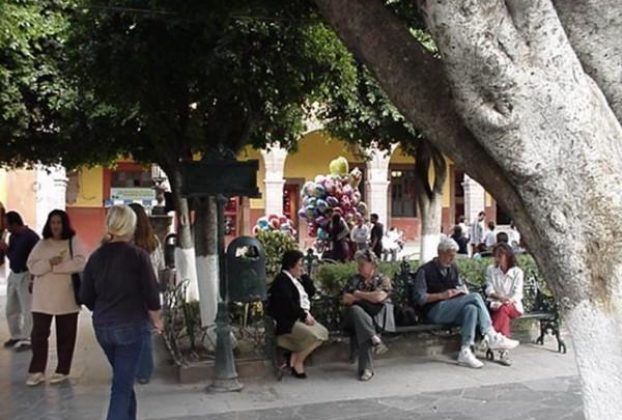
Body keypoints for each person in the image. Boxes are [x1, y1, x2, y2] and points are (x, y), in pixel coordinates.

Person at [80, 205, 162, 420]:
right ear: (131, 226)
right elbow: (152, 295)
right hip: (131, 326)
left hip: (103, 327)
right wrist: (157, 321)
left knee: (123, 381)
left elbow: (86, 296)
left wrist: (103, 307)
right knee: (121, 389)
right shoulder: (138, 256)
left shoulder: (96, 257)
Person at [412, 237, 518, 369]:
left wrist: (461, 291)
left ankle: (465, 350)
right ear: (440, 253)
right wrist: (441, 295)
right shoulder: (425, 270)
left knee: (471, 308)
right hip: (433, 310)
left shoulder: (453, 268)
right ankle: (490, 334)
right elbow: (419, 298)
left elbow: (459, 285)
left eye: (454, 256)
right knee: (475, 297)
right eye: (449, 256)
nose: (452, 259)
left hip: (452, 307)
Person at [25, 210, 87, 386]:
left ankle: (62, 370)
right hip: (42, 298)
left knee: (66, 335)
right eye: (53, 222)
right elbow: (32, 266)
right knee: (38, 335)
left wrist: (58, 268)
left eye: (59, 222)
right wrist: (49, 263)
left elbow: (81, 262)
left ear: (64, 224)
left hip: (66, 297)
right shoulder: (41, 244)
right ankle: (37, 370)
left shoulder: (73, 242)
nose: (56, 226)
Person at [267, 250, 328, 378]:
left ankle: (295, 357)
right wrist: (304, 315)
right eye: (300, 264)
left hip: (301, 317)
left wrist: (304, 276)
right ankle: (298, 363)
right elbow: (288, 304)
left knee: (323, 333)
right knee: (313, 335)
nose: (302, 267)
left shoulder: (296, 280)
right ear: (291, 265)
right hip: (288, 321)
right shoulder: (282, 281)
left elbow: (311, 291)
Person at [342, 250, 395, 381]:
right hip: (352, 319)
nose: (359, 267)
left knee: (363, 328)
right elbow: (345, 299)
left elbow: (379, 297)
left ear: (372, 265)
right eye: (358, 264)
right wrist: (367, 298)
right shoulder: (354, 279)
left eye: (362, 264)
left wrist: (358, 295)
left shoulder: (383, 279)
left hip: (376, 318)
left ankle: (367, 368)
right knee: (355, 311)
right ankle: (374, 338)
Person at [129, 203, 164, 385]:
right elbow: (160, 266)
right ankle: (144, 371)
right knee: (145, 332)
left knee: (129, 331)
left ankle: (128, 369)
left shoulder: (124, 242)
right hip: (149, 289)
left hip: (128, 291)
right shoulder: (154, 242)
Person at [0, 211, 39, 350]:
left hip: (26, 274)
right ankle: (15, 335)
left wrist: (33, 279)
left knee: (27, 308)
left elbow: (37, 258)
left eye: (7, 225)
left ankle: (28, 338)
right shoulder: (13, 237)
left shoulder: (31, 237)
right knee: (11, 307)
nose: (5, 228)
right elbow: (13, 257)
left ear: (15, 224)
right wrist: (6, 250)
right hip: (14, 273)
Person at [485, 243, 524, 366]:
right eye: (496, 256)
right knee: (502, 312)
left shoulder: (517, 272)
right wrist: (498, 298)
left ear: (507, 256)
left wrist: (507, 300)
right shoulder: (491, 270)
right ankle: (503, 351)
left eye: (500, 256)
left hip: (513, 305)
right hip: (497, 303)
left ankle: (489, 337)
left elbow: (517, 293)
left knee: (504, 309)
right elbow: (489, 289)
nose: (497, 259)